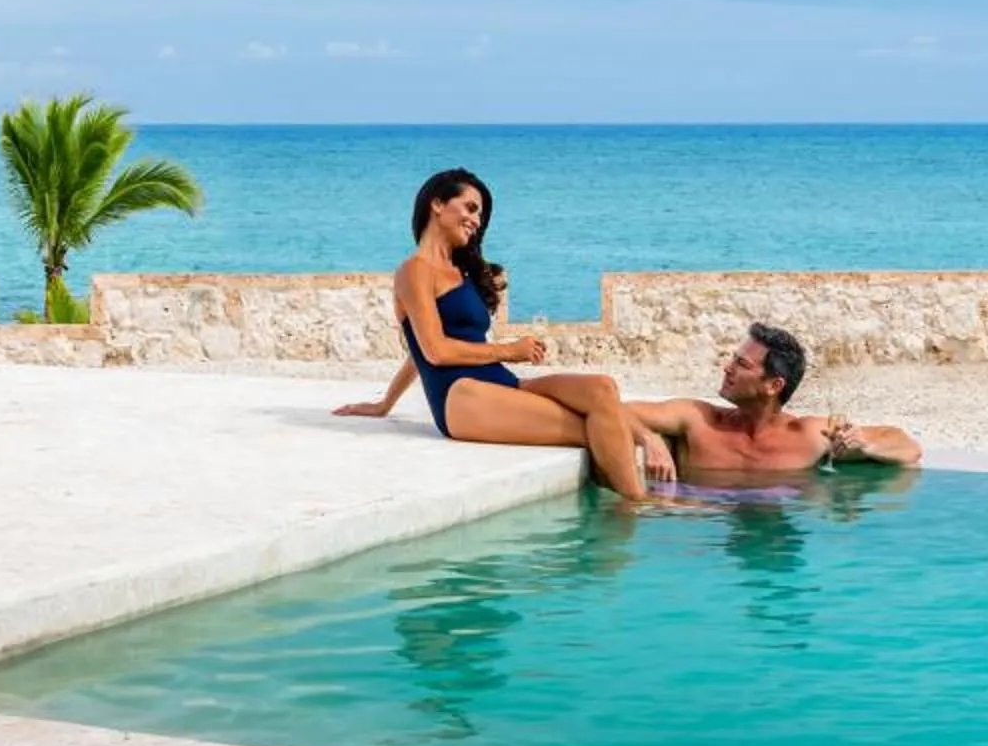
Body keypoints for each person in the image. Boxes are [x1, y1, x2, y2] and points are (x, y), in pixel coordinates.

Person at [332, 168, 652, 502]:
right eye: (470, 208)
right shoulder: (414, 270)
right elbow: (435, 351)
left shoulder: (460, 272)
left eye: (480, 215)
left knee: (602, 388)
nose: (476, 220)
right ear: (437, 204)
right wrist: (510, 350)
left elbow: (418, 350)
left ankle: (637, 478)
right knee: (589, 427)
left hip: (500, 383)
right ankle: (636, 505)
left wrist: (386, 402)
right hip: (461, 396)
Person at [624, 323, 921, 481]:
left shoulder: (809, 435)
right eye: (733, 360)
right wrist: (649, 439)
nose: (727, 368)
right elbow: (618, 411)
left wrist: (865, 446)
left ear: (773, 385)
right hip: (709, 533)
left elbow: (907, 445)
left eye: (741, 364)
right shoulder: (698, 418)